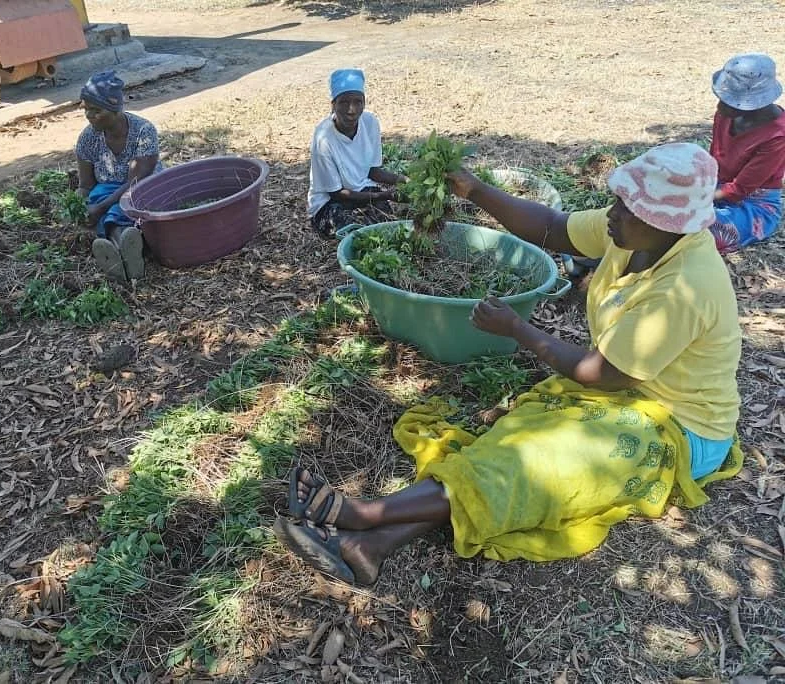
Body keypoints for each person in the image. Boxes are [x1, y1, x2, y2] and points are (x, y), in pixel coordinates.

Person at [274, 143, 744, 585]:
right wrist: (475, 190)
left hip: (681, 428)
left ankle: (363, 515)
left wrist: (519, 329)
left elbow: (603, 374)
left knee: (541, 464)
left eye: (628, 207)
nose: (613, 213)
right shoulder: (635, 233)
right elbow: (553, 228)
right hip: (628, 396)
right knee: (508, 448)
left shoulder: (685, 286)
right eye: (618, 200)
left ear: (667, 223)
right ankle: (369, 548)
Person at [75, 70, 162, 281]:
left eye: (96, 110)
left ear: (115, 109)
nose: (89, 115)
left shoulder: (143, 131)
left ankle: (119, 248)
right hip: (107, 193)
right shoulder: (87, 138)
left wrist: (101, 207)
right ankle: (125, 250)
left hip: (142, 187)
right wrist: (78, 207)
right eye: (86, 109)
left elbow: (136, 182)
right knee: (97, 196)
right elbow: (86, 185)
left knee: (123, 206)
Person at [307, 69, 407, 240]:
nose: (351, 110)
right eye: (344, 102)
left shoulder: (370, 123)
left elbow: (372, 171)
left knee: (387, 227)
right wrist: (383, 195)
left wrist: (405, 181)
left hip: (362, 191)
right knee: (355, 235)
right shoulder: (324, 139)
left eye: (357, 102)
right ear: (333, 105)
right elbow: (337, 193)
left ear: (364, 102)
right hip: (329, 202)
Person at [708, 53, 785, 253]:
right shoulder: (725, 115)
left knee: (698, 231)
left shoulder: (777, 136)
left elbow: (740, 189)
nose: (719, 106)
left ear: (754, 105)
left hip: (752, 202)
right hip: (715, 187)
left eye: (728, 102)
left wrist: (697, 199)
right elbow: (713, 158)